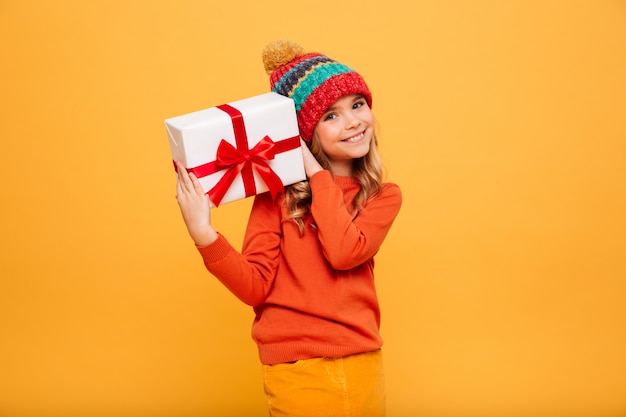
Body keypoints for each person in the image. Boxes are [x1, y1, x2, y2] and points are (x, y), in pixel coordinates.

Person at [175, 39, 402, 417]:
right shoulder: (276, 198)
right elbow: (254, 286)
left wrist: (315, 172)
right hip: (295, 372)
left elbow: (344, 252)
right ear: (304, 133)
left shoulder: (381, 196)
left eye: (357, 105)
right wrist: (203, 233)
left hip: (362, 364)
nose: (352, 122)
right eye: (330, 116)